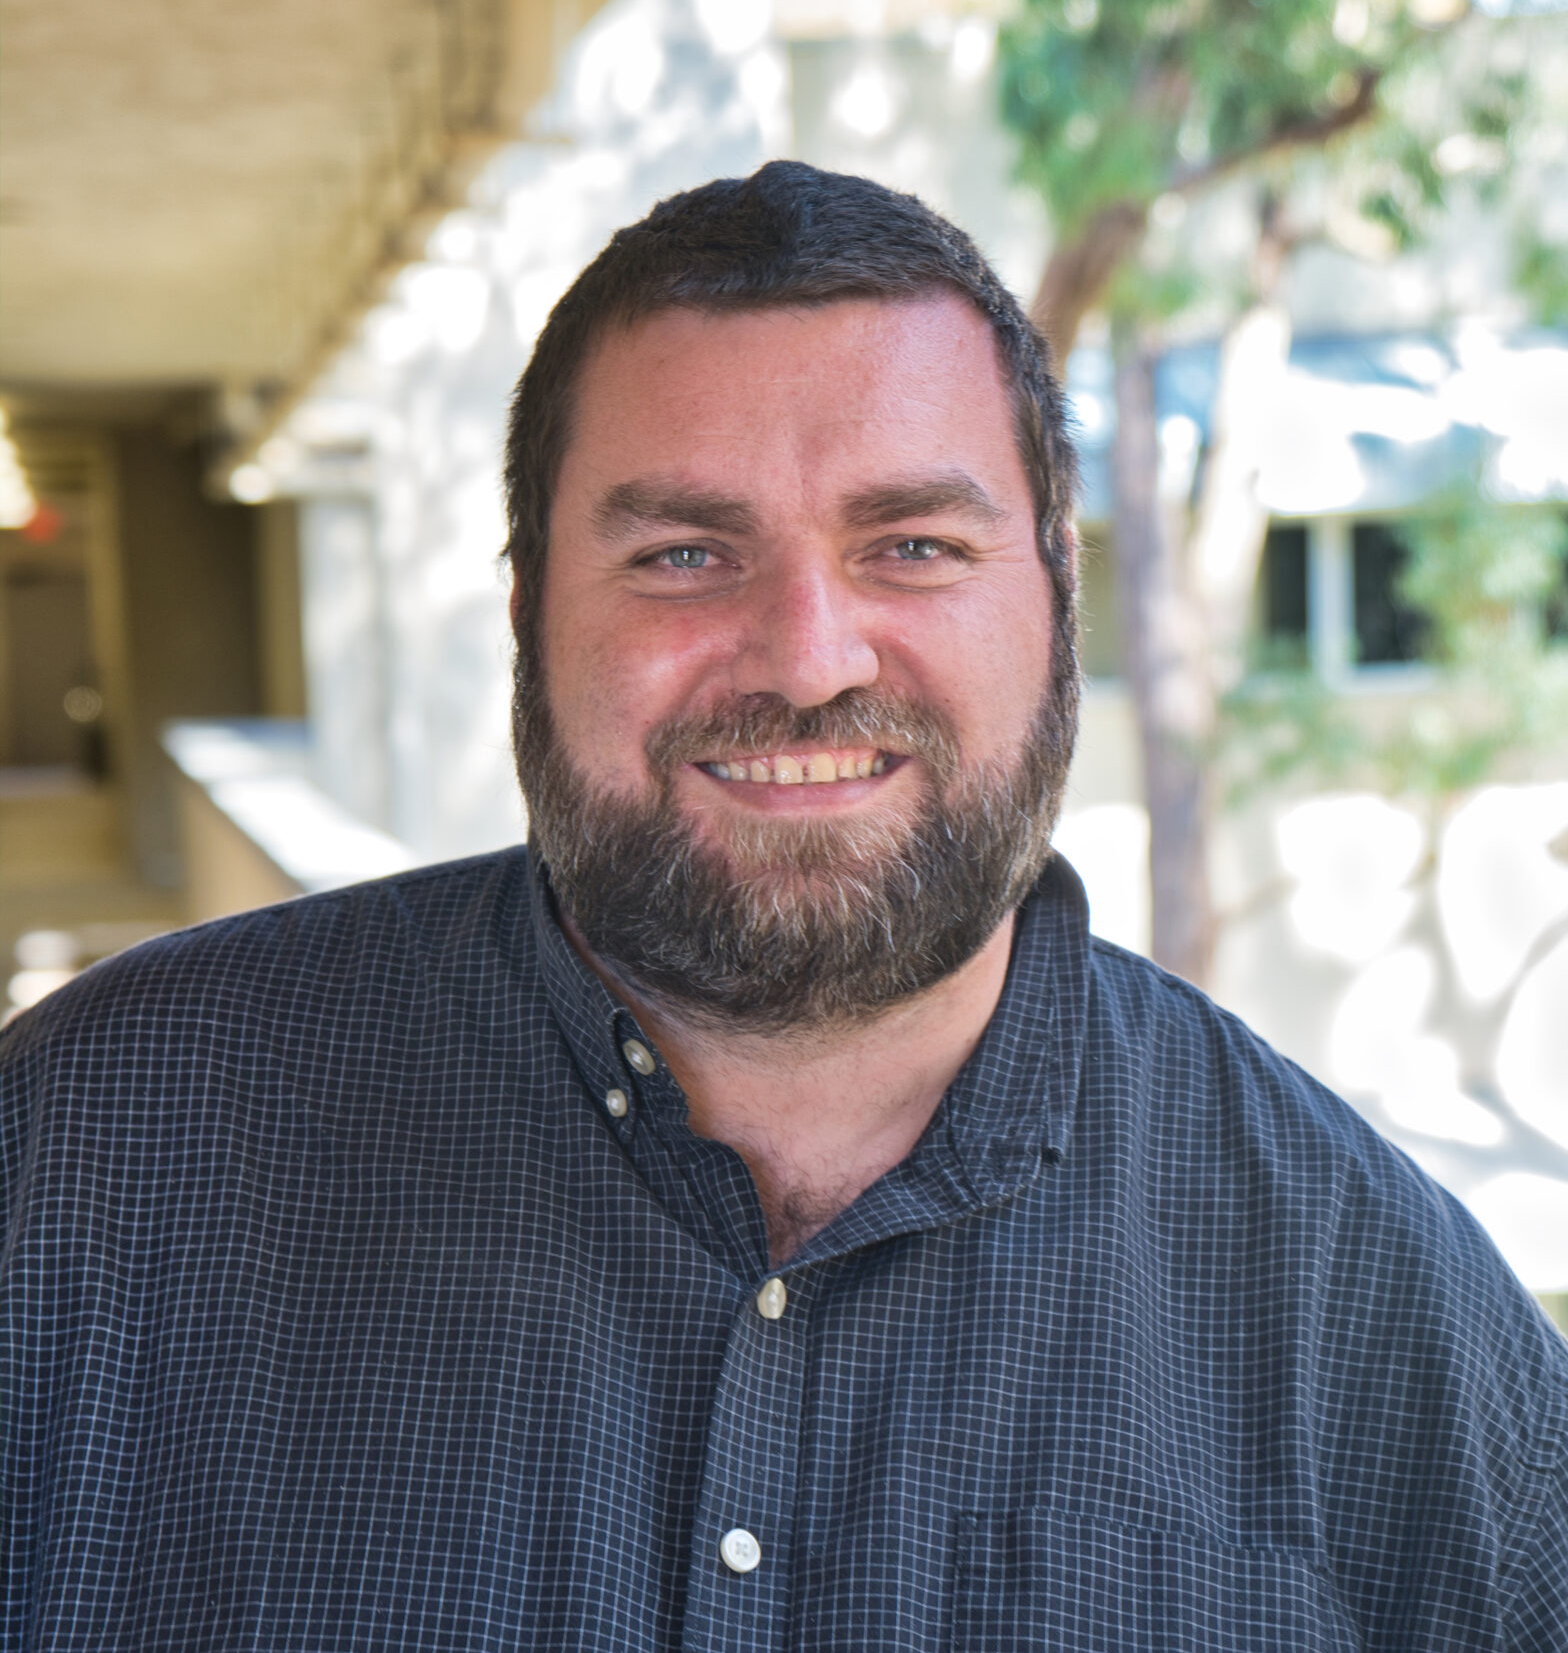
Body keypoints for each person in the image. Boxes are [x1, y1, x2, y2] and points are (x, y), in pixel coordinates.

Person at [3, 162, 1564, 1650]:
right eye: (684, 553)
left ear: (1059, 610)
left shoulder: (1389, 1321)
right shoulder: (90, 1162)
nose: (809, 656)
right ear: (529, 620)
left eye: (912, 546)